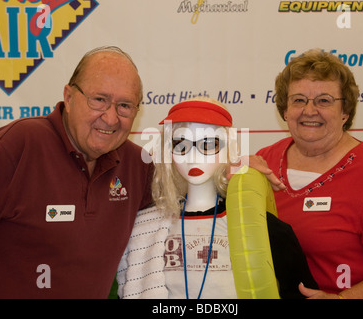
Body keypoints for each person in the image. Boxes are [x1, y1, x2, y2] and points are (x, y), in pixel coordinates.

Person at [0, 46, 154, 298]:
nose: (111, 118)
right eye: (99, 100)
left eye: (124, 105)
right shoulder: (16, 147)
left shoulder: (139, 166)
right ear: (69, 97)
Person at [117, 97, 317, 299]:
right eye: (180, 144)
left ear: (228, 149)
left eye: (208, 144)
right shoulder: (144, 227)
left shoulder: (264, 228)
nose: (193, 156)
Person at [256, 48, 363, 299]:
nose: (310, 110)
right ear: (285, 110)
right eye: (298, 100)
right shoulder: (262, 161)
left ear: (345, 112)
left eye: (324, 100)